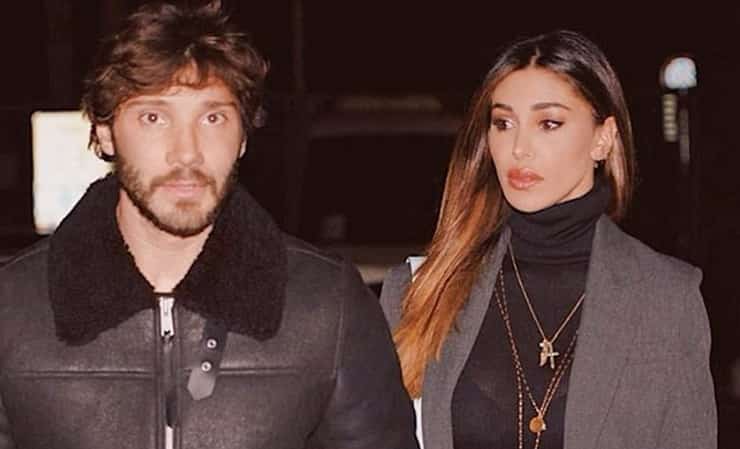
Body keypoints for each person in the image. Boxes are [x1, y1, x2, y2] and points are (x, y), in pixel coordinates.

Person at [0, 2, 417, 448]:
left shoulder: (327, 305)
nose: (187, 152)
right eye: (154, 117)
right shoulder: (12, 307)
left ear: (243, 137)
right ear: (105, 132)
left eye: (212, 117)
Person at [381, 30, 716, 449]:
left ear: (602, 138)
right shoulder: (421, 293)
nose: (519, 148)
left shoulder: (665, 297)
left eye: (549, 123)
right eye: (503, 123)